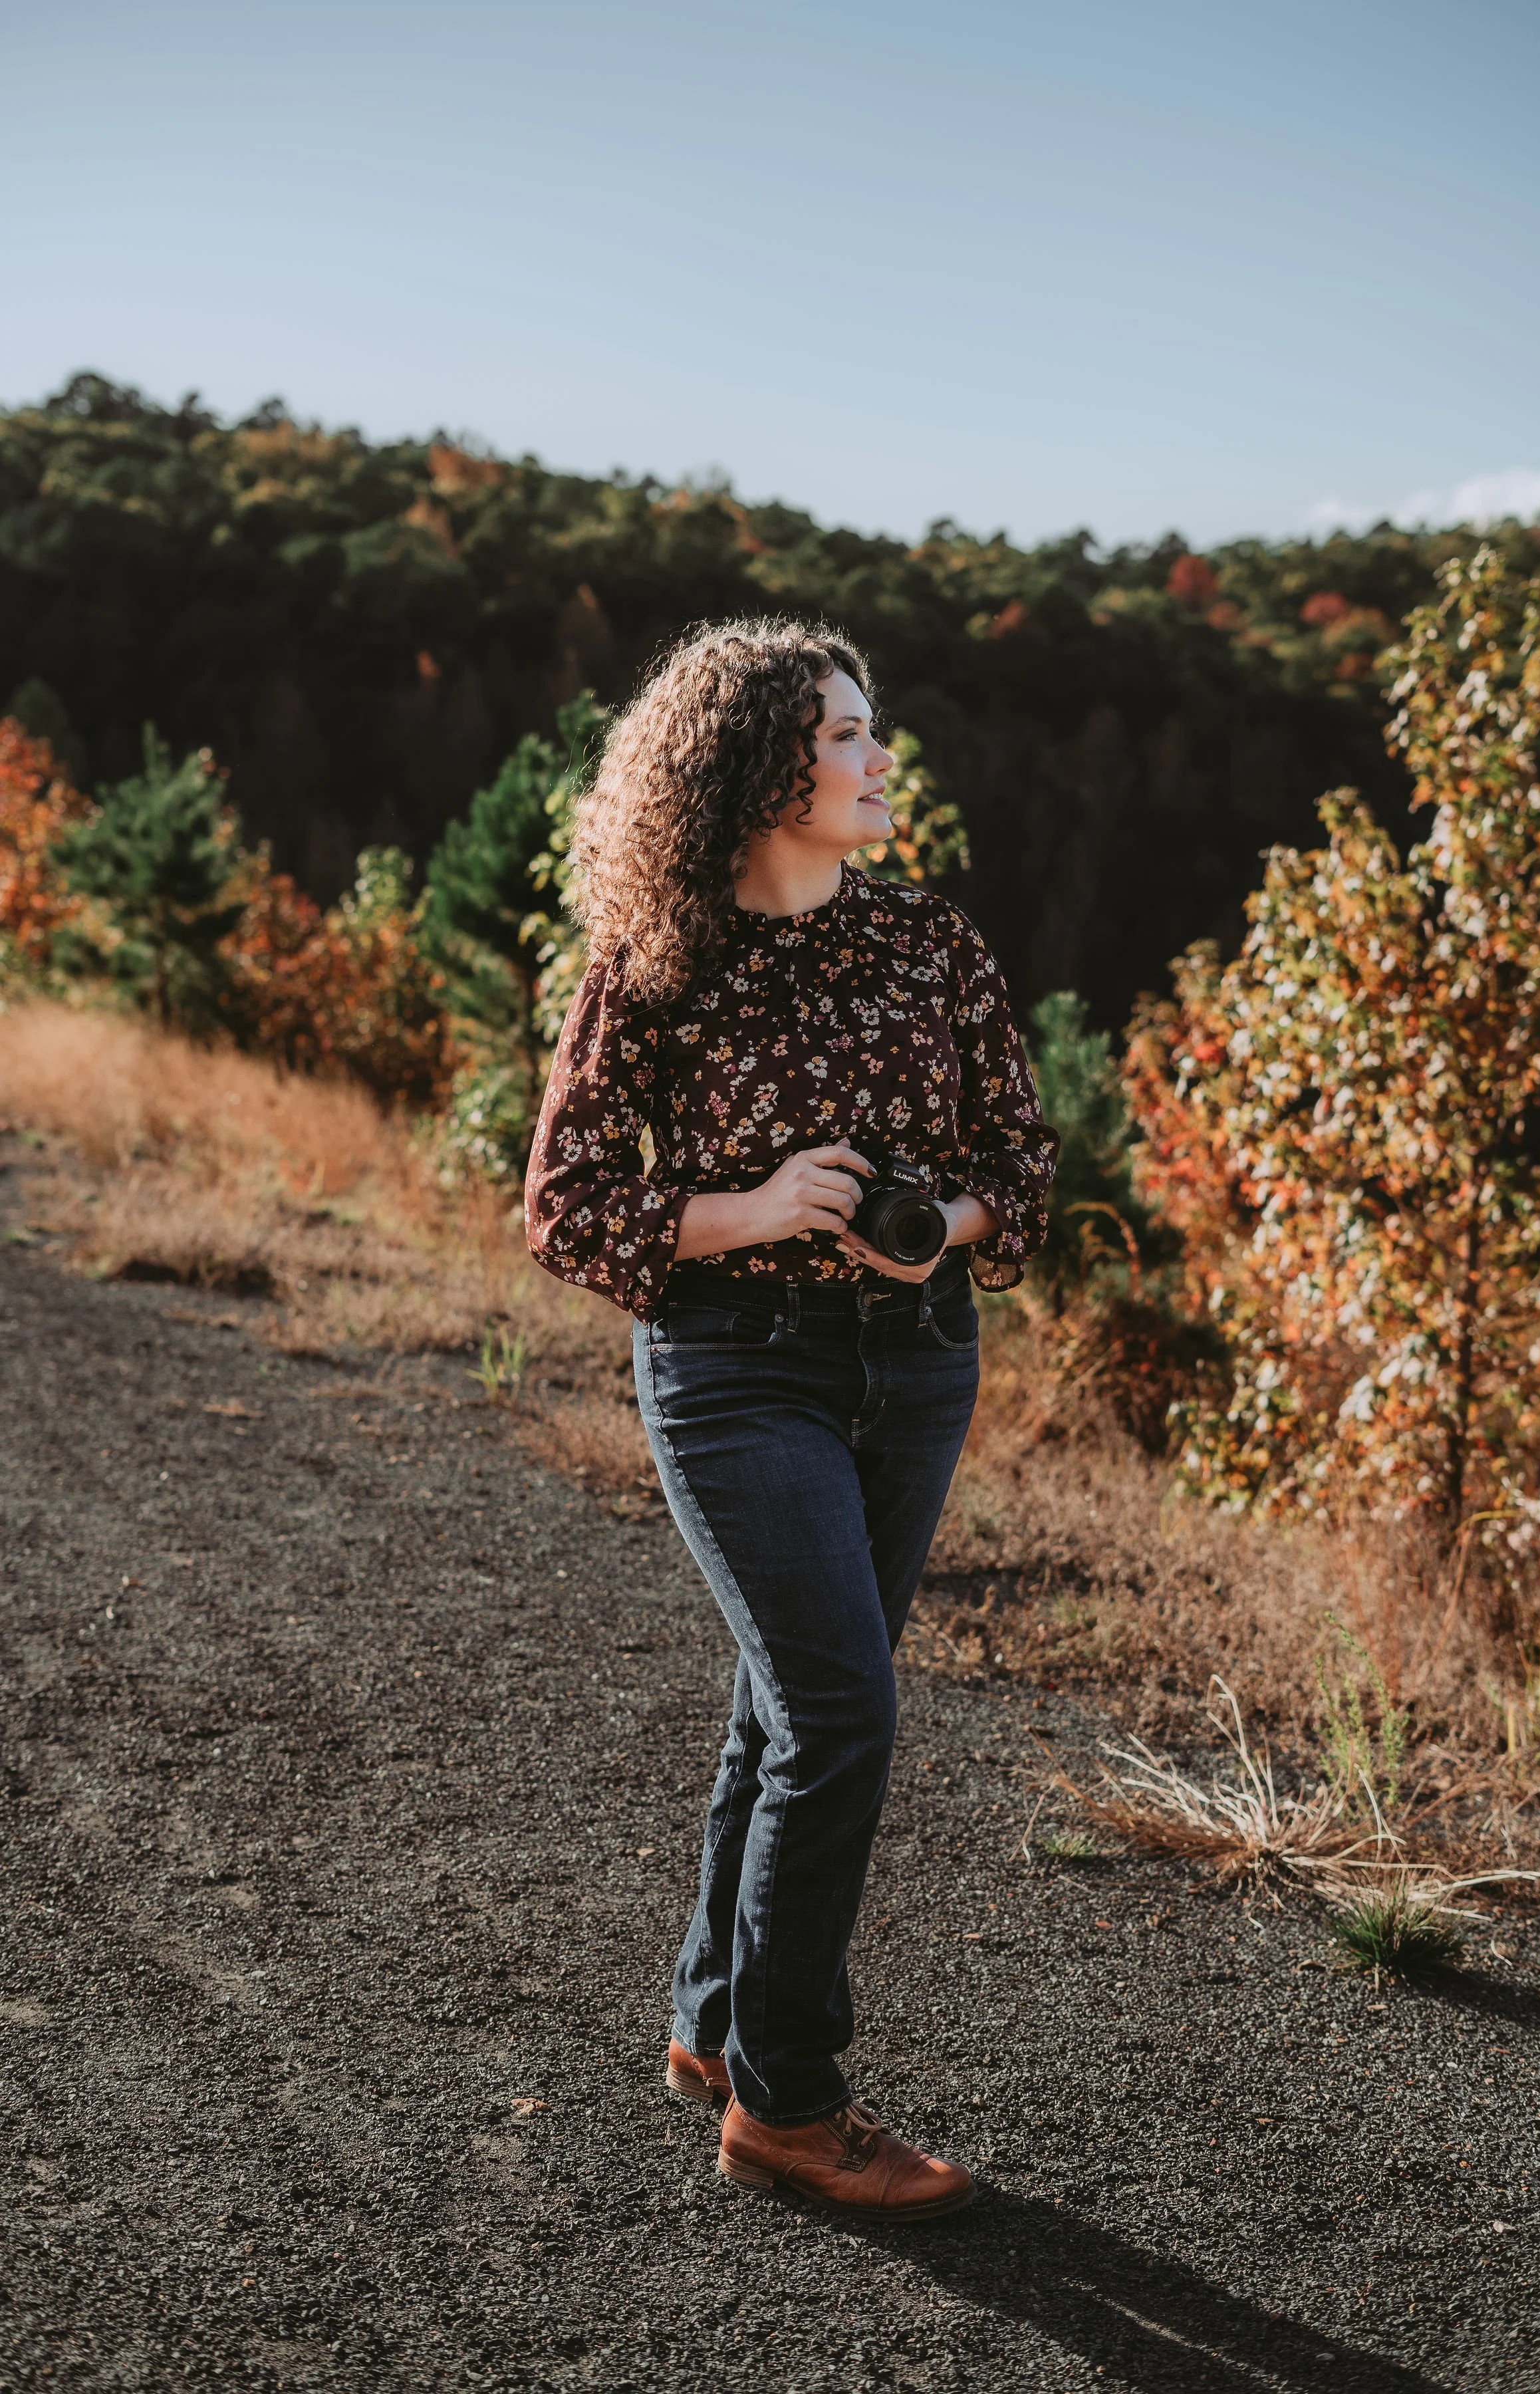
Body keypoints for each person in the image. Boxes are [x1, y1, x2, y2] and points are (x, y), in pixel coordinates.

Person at [525, 618, 1057, 2219]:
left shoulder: (931, 945)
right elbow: (565, 1206)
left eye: (871, 729)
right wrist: (750, 1210)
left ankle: (716, 2025)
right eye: (842, 735)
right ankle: (790, 2103)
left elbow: (1022, 1168)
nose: (877, 757)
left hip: (918, 1364)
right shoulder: (655, 965)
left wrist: (936, 1226)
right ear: (755, 766)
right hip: (735, 1366)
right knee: (842, 1712)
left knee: (794, 1704)